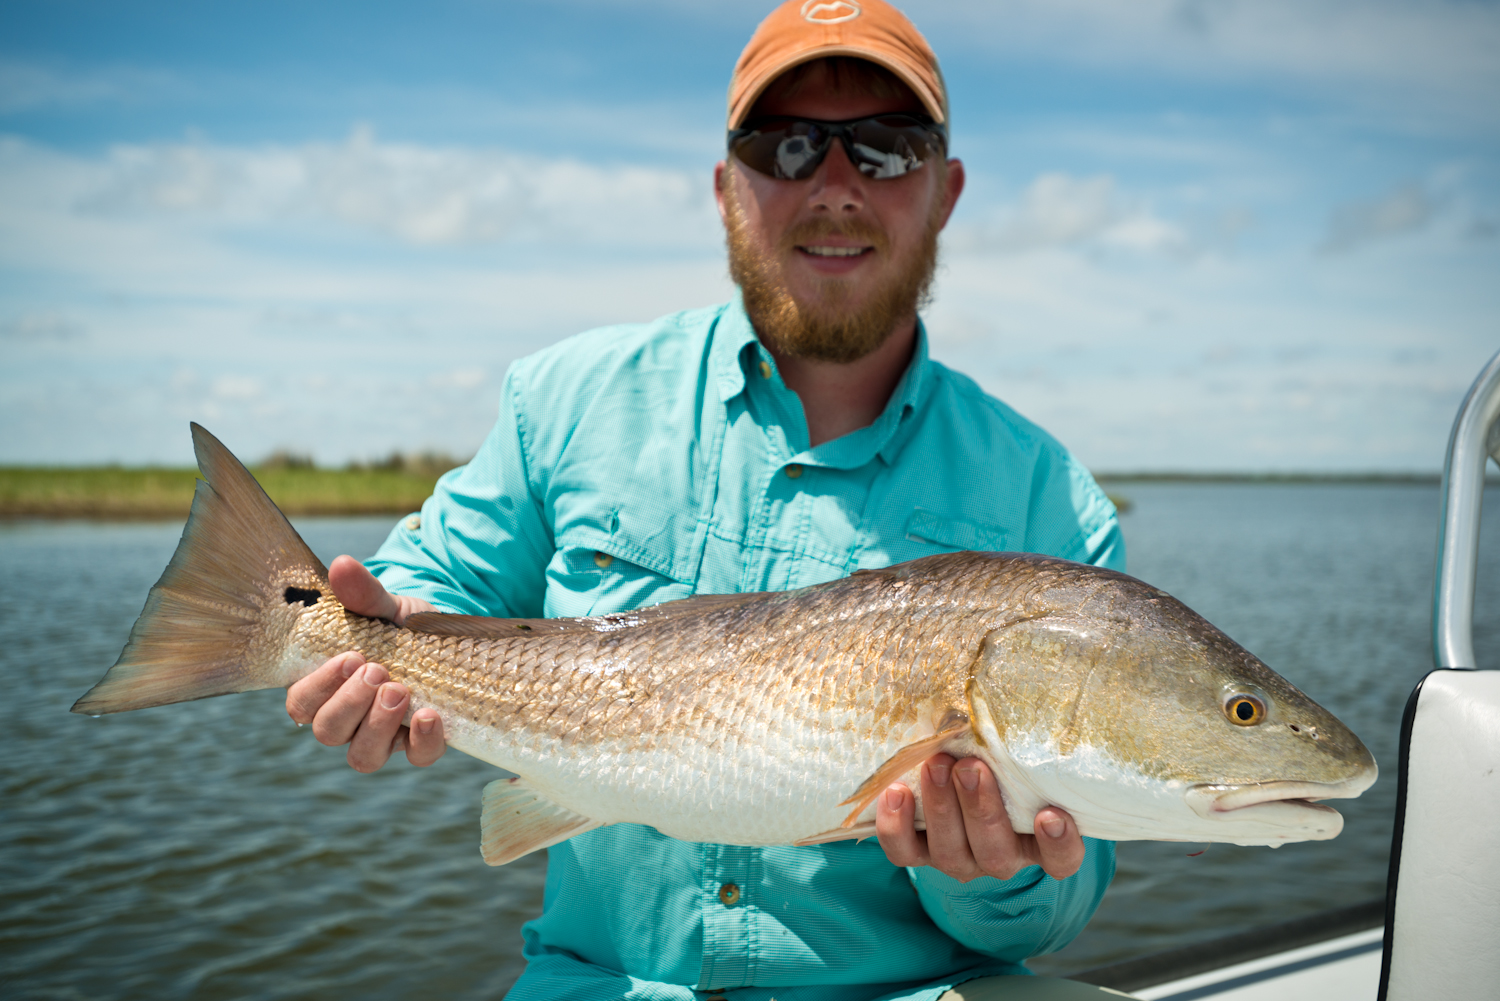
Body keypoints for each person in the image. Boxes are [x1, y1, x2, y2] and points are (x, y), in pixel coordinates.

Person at [286, 2, 1125, 998]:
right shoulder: (566, 397)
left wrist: (1002, 870)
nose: (837, 185)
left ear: (945, 191)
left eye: (889, 150)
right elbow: (429, 580)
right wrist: (380, 633)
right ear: (729, 189)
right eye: (789, 146)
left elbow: (1071, 897)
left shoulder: (1051, 504)